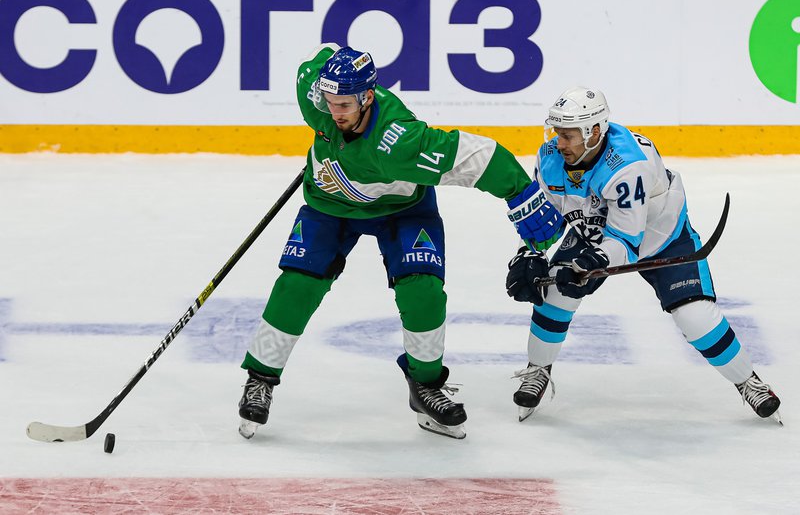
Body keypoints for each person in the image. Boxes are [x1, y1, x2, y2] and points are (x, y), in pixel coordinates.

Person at [236, 43, 562, 440]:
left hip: (403, 208)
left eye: (344, 105)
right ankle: (261, 378)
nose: (333, 112)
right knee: (297, 284)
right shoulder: (314, 94)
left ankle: (425, 385)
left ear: (367, 96)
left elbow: (478, 156)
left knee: (423, 291)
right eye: (329, 101)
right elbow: (322, 55)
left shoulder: (401, 143)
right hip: (327, 206)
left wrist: (521, 192)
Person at [505, 86, 782, 423]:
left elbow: (625, 241)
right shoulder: (550, 158)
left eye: (567, 135)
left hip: (662, 237)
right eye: (557, 133)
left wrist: (589, 263)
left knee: (695, 317)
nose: (558, 142)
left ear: (594, 132)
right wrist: (530, 253)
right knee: (554, 296)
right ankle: (538, 369)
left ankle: (748, 382)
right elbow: (546, 219)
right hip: (593, 233)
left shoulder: (628, 165)